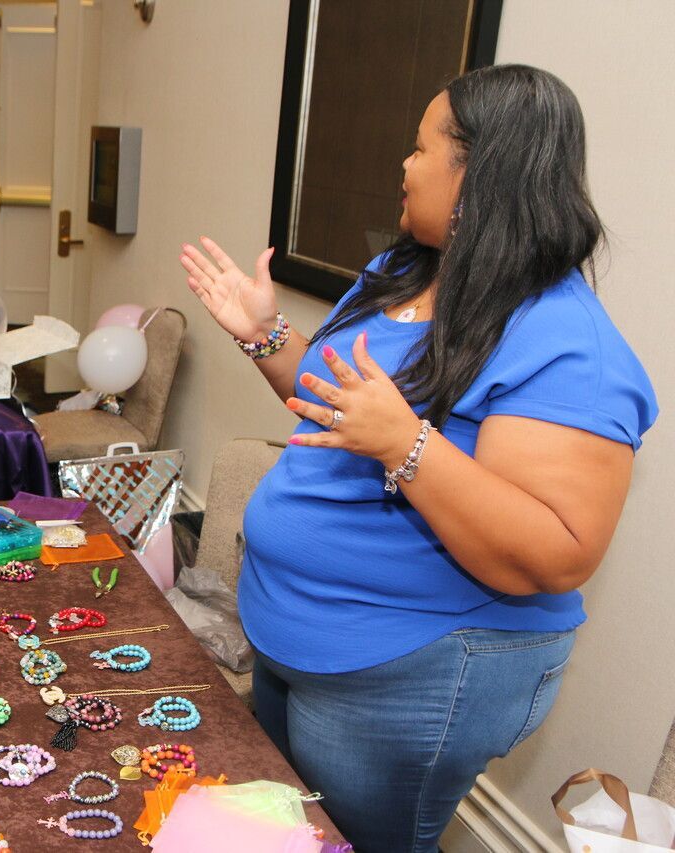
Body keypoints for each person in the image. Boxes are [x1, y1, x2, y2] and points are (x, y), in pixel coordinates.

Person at [180, 64, 657, 852]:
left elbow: (556, 551)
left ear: (478, 172)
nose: (402, 166)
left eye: (420, 147)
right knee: (287, 831)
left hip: (408, 668)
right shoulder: (403, 270)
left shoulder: (569, 345)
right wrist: (262, 333)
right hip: (289, 634)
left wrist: (407, 444)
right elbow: (345, 408)